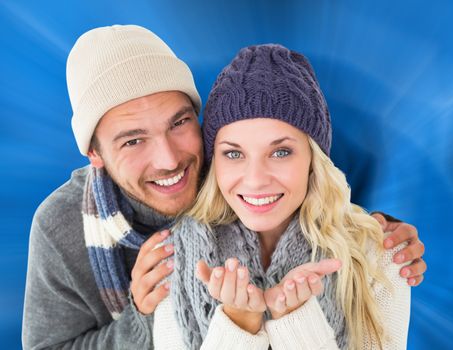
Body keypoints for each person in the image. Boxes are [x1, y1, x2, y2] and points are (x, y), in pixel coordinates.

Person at [22, 25, 426, 349]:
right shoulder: (63, 226)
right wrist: (143, 319)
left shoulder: (223, 167)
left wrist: (372, 230)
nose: (169, 160)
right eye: (133, 140)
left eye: (179, 123)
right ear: (95, 153)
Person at [154, 44, 411, 349]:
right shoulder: (174, 258)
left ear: (313, 160)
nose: (255, 179)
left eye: (280, 152)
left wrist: (296, 321)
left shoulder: (378, 255)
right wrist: (239, 325)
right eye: (234, 153)